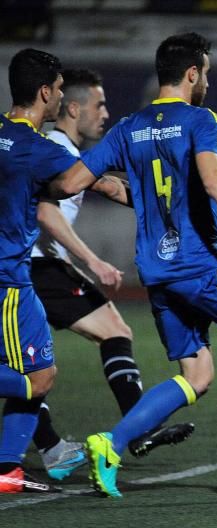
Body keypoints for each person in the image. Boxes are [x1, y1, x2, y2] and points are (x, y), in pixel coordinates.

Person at [57, 32, 217, 499]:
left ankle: (110, 444)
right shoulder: (200, 119)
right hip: (201, 268)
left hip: (157, 275)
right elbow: (213, 178)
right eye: (207, 74)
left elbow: (74, 180)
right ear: (193, 73)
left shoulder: (127, 128)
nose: (208, 83)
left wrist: (137, 190)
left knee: (196, 375)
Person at [30, 68, 194, 482]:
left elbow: (106, 185)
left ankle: (122, 431)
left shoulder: (66, 151)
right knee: (33, 366)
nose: (105, 113)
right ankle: (67, 444)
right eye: (99, 105)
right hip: (33, 265)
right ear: (72, 107)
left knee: (103, 335)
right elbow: (45, 210)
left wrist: (166, 203)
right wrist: (93, 261)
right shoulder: (52, 146)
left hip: (41, 265)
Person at [0, 48, 126, 493]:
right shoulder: (35, 147)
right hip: (9, 282)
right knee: (36, 376)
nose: (57, 98)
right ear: (44, 93)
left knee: (39, 375)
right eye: (56, 90)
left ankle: (10, 468)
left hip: (15, 279)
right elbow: (83, 182)